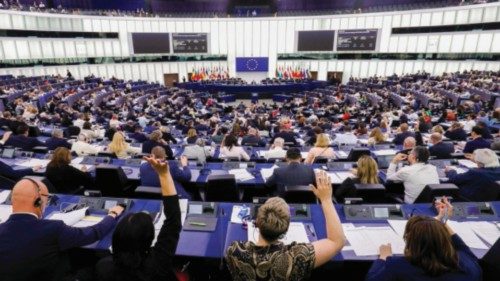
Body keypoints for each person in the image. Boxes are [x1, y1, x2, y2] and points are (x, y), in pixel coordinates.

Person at [226, 171, 345, 281]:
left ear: (256, 222)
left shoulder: (234, 251)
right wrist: (326, 200)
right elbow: (337, 241)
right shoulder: (298, 256)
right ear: (286, 228)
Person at [0, 178, 124, 281]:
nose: (46, 203)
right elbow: (94, 233)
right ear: (37, 201)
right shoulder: (53, 229)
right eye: (46, 199)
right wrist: (112, 214)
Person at [96, 155, 182, 281]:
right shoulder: (158, 263)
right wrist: (164, 174)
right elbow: (173, 220)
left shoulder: (103, 267)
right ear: (149, 240)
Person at [366, 198, 482, 281]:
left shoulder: (397, 267)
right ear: (445, 240)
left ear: (411, 241)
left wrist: (383, 258)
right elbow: (460, 244)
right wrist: (441, 221)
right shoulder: (468, 263)